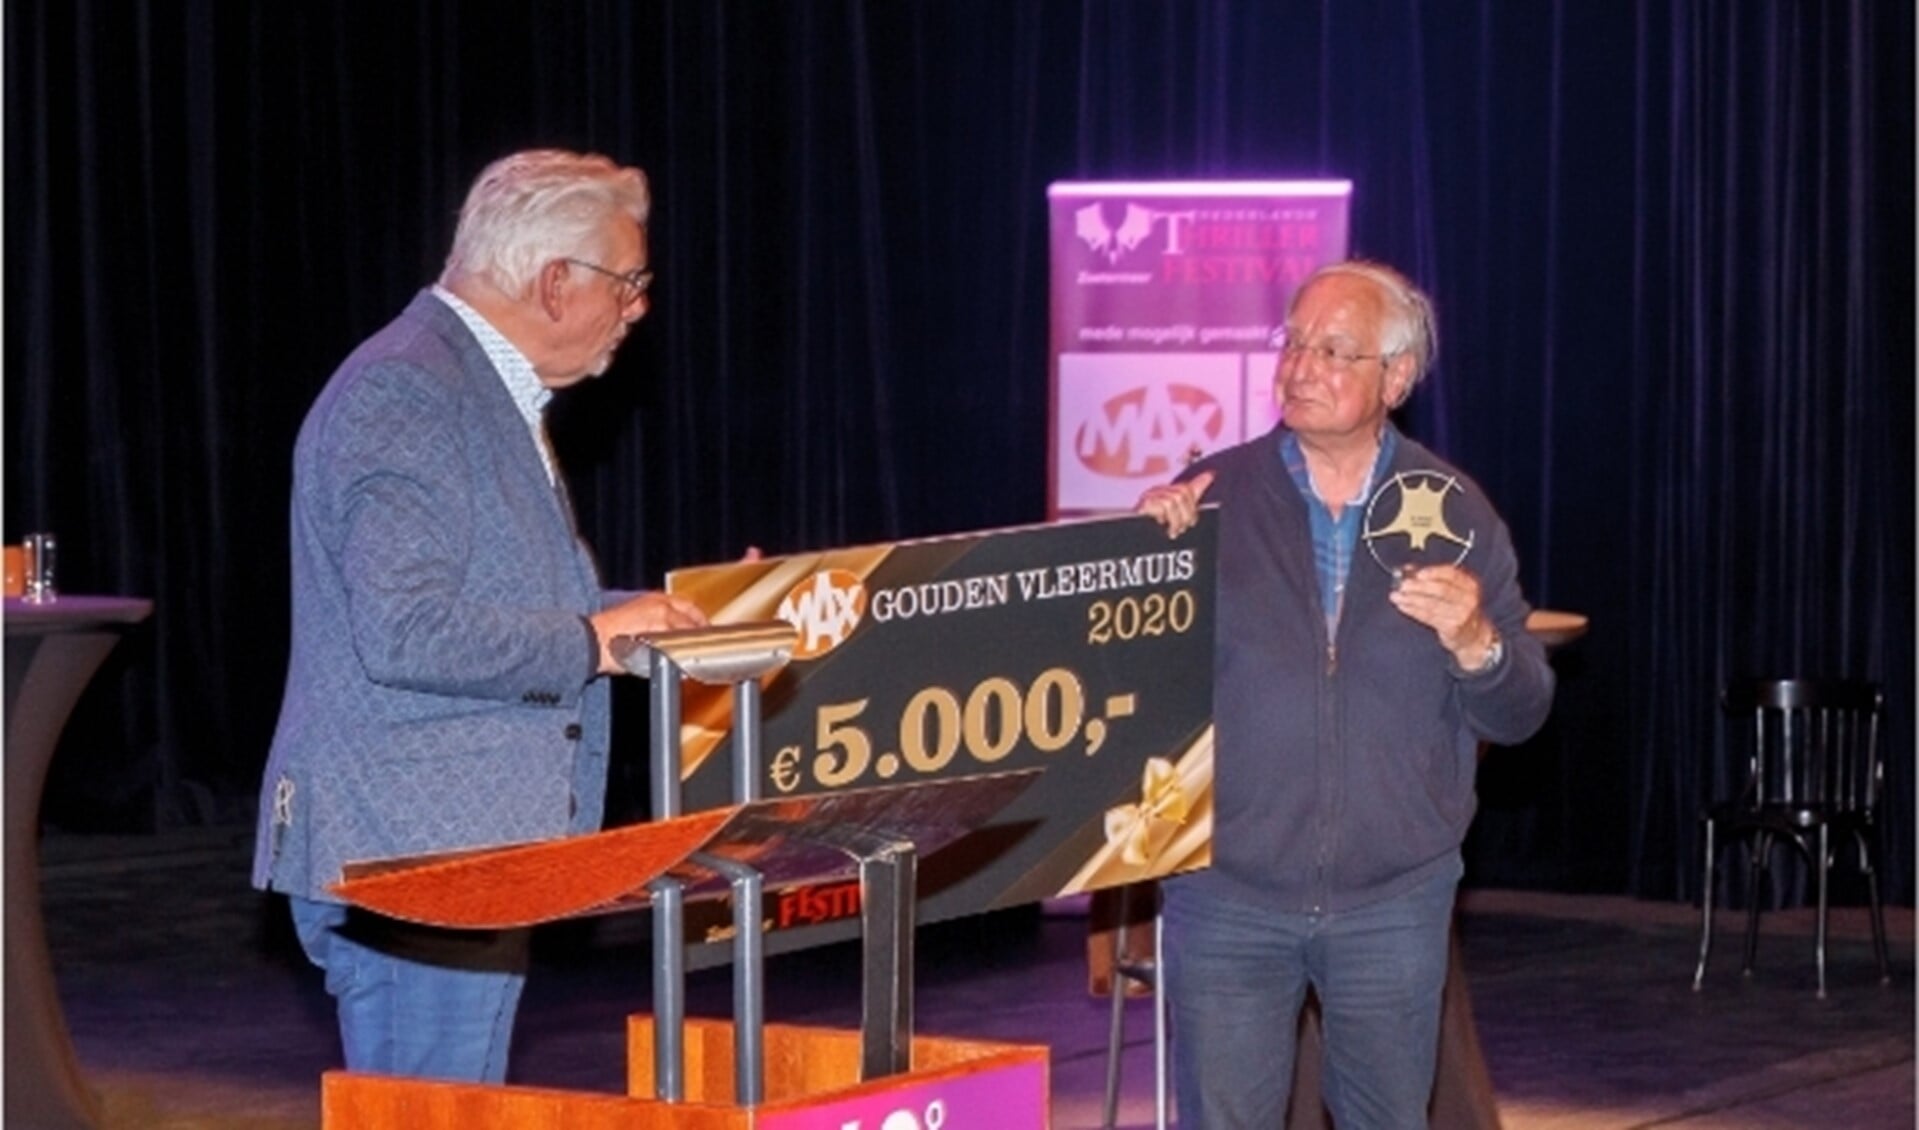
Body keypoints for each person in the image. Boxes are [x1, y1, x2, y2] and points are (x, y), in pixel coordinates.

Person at [252, 148, 712, 1084]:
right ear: (555, 282)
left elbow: (497, 603)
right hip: (414, 854)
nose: (638, 309)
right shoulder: (409, 391)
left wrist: (641, 617)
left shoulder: (473, 387)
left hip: (461, 853)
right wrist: (592, 642)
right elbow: (406, 629)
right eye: (627, 283)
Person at [1136, 259, 1555, 1128]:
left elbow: (1521, 713)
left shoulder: (1454, 510)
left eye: (1334, 349)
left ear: (1395, 378)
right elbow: (1124, 683)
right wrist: (1143, 564)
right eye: (1292, 341)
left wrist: (1477, 643)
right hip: (1226, 896)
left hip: (1393, 903)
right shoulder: (1208, 498)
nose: (1299, 366)